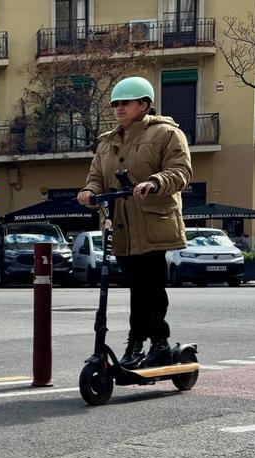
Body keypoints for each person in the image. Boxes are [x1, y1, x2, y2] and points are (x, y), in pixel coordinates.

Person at [78, 75, 191, 369]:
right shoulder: (106, 142)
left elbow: (181, 171)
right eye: (115, 104)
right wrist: (90, 191)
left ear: (144, 104)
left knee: (149, 285)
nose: (118, 109)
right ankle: (140, 341)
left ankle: (155, 342)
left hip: (153, 222)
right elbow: (96, 176)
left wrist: (155, 182)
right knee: (135, 286)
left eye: (125, 103)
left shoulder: (167, 134)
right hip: (122, 224)